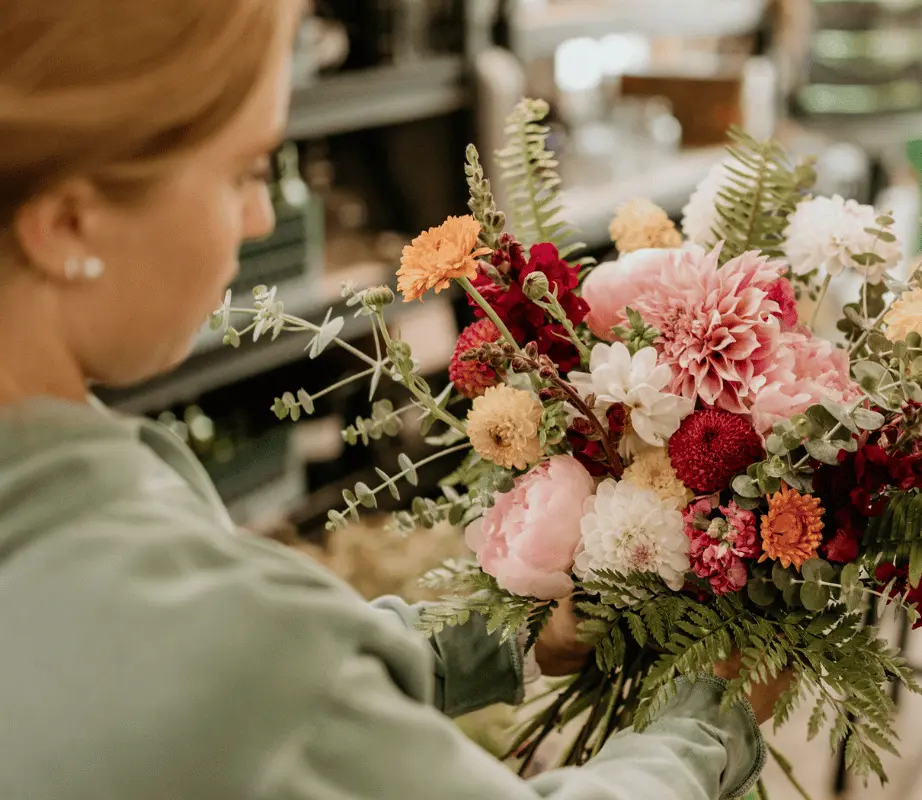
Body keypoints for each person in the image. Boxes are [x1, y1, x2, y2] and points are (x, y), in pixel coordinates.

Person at [0, 3, 789, 798]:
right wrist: (709, 725)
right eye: (244, 172)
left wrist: (493, 641)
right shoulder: (216, 641)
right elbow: (249, 686)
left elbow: (248, 697)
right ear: (69, 223)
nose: (263, 217)